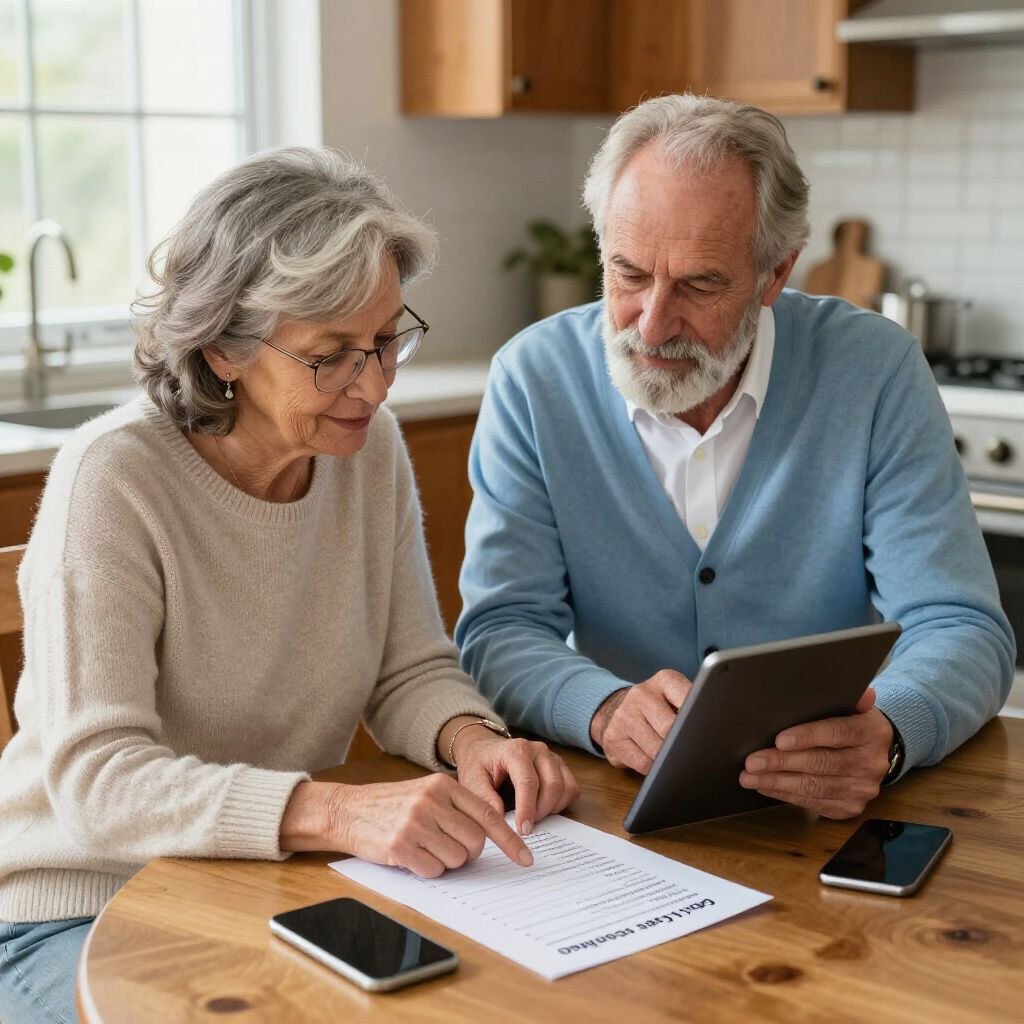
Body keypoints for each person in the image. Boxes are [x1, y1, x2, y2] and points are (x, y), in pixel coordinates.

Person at [0, 148, 578, 1024]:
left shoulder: (364, 452)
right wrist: (337, 813)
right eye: (333, 356)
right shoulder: (112, 478)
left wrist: (473, 741)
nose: (376, 386)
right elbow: (100, 780)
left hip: (265, 881)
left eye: (387, 342)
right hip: (79, 910)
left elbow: (407, 669)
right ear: (224, 349)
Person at [458, 93, 1014, 823]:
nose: (652, 323)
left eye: (698, 284)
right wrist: (604, 709)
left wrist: (890, 733)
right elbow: (501, 631)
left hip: (821, 818)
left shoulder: (873, 370)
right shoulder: (533, 378)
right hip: (607, 814)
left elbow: (962, 625)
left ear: (773, 276)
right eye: (627, 274)